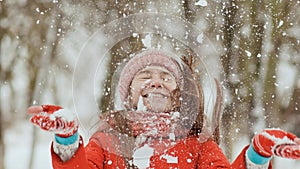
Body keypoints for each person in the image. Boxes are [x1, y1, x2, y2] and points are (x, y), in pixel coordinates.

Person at [27, 49, 300, 169]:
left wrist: (257, 156)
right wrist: (68, 141)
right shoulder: (108, 139)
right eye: (145, 75)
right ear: (130, 93)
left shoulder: (199, 144)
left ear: (179, 95)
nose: (156, 82)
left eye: (166, 77)